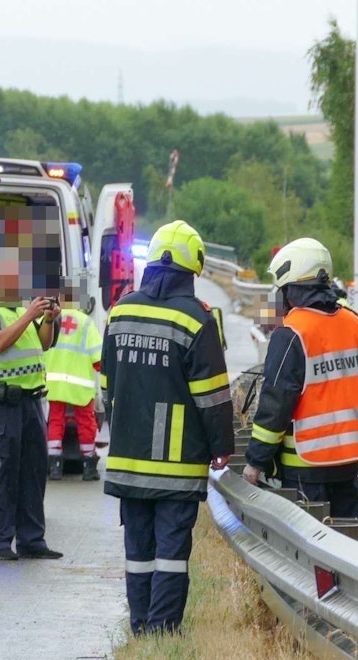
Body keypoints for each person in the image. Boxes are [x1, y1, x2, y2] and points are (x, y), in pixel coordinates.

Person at [101, 220, 234, 635]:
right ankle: (162, 628)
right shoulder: (197, 320)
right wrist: (221, 446)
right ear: (190, 272)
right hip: (176, 463)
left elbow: (108, 386)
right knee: (171, 552)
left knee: (137, 550)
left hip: (127, 458)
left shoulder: (121, 311)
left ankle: (140, 624)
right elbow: (212, 397)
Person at [242, 238, 358, 533]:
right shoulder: (355, 324)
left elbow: (275, 406)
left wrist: (255, 462)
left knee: (312, 557)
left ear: (290, 288)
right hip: (347, 465)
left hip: (304, 469)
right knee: (350, 548)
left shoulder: (291, 333)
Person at [0, 288, 63, 561]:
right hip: (3, 402)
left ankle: (32, 540)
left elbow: (43, 344)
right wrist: (30, 314)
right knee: (4, 470)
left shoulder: (21, 311)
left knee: (33, 471)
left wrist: (48, 319)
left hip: (31, 400)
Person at [44, 304, 103, 481]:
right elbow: (98, 358)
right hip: (80, 384)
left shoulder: (50, 318)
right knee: (86, 423)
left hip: (54, 382)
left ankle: (54, 467)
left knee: (55, 420)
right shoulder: (86, 322)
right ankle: (88, 467)